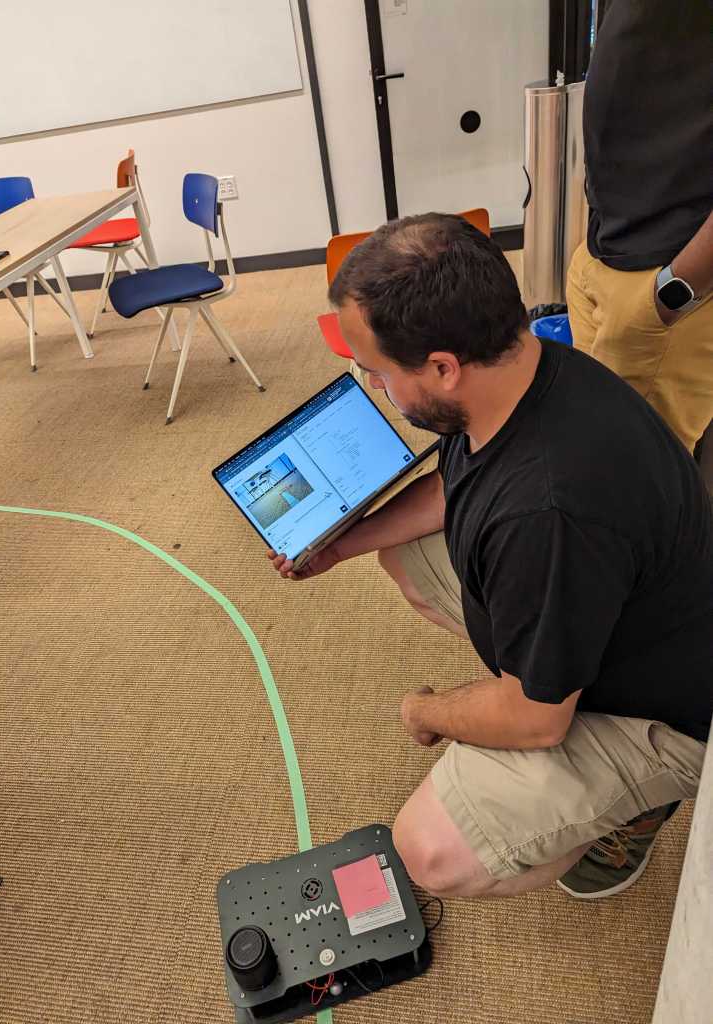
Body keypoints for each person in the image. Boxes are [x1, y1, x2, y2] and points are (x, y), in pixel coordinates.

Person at [268, 214, 712, 900]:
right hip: (615, 612)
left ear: (443, 368)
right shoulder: (524, 371)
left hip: (671, 721)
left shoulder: (547, 514)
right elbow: (456, 483)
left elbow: (538, 720)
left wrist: (427, 710)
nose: (375, 386)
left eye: (378, 372)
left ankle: (632, 806)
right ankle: (540, 666)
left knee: (429, 852)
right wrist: (343, 545)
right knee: (403, 552)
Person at [567, 0, 713, 455]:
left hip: (669, 280)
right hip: (604, 249)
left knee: (625, 483)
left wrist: (673, 294)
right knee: (585, 443)